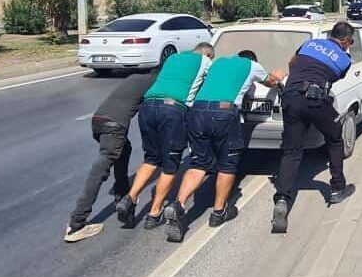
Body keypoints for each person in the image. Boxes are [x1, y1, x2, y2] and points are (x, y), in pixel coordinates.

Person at [163, 50, 286, 242]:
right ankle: (219, 212)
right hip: (223, 112)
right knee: (227, 164)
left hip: (197, 111)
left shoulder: (218, 63)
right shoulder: (252, 66)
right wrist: (277, 78)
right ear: (253, 60)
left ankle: (178, 205)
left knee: (198, 164)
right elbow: (269, 82)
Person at [271, 21, 356, 234]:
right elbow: (331, 78)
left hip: (290, 97)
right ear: (345, 41)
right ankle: (337, 187)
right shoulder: (345, 59)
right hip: (315, 99)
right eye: (350, 42)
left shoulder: (310, 44)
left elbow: (292, 63)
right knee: (335, 137)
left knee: (291, 151)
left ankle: (282, 198)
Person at [117, 42, 214, 229]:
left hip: (147, 106)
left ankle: (130, 197)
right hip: (172, 110)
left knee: (151, 158)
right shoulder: (205, 62)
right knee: (170, 166)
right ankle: (155, 212)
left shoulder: (172, 57)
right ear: (207, 54)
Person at [64, 70, 160, 242]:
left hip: (98, 120)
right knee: (101, 168)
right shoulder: (155, 84)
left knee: (125, 149)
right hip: (114, 126)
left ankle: (121, 195)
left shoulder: (135, 77)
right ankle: (76, 224)